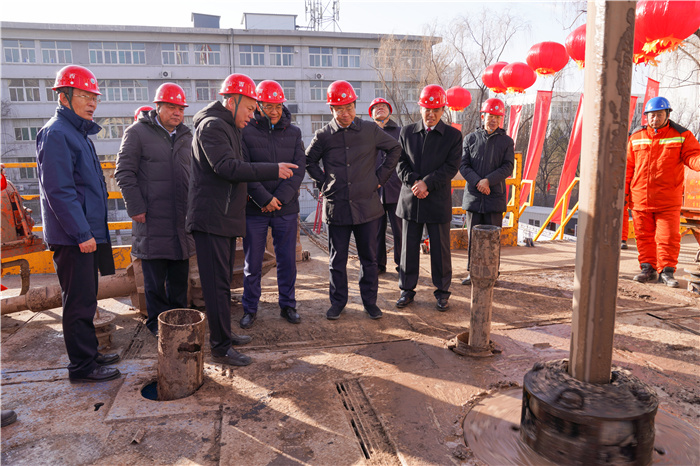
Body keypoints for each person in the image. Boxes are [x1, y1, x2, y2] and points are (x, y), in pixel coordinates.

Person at [187, 73, 297, 366]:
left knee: (222, 283)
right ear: (232, 101)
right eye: (249, 108)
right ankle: (220, 348)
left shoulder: (229, 127)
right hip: (211, 220)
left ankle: (224, 334)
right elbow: (228, 167)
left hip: (222, 219)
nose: (253, 114)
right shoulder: (212, 126)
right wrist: (272, 169)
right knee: (215, 286)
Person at [36, 65, 120, 383]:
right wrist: (82, 233)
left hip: (84, 233)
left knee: (87, 299)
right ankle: (82, 367)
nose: (92, 103)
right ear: (64, 96)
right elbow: (59, 191)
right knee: (77, 302)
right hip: (73, 236)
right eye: (85, 96)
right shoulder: (57, 133)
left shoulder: (78, 133)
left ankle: (90, 353)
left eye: (94, 97)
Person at [306, 80, 401, 320]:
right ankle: (338, 302)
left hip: (367, 205)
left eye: (349, 108)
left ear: (355, 106)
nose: (345, 114)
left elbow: (395, 149)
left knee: (369, 259)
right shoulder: (323, 135)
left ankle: (370, 302)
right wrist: (324, 183)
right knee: (336, 259)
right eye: (339, 109)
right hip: (336, 206)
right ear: (331, 110)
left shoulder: (370, 130)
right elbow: (308, 161)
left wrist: (379, 178)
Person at [115, 84, 194, 337]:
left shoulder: (186, 136)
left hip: (181, 220)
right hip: (152, 219)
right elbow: (124, 172)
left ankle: (179, 321)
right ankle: (157, 326)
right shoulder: (137, 133)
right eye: (171, 107)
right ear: (158, 107)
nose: (177, 113)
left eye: (180, 108)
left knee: (179, 279)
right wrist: (136, 207)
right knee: (155, 282)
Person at [239, 80, 305, 329]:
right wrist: (264, 199)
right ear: (258, 106)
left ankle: (288, 305)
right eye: (268, 106)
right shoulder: (245, 131)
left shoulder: (294, 133)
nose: (274, 111)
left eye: (277, 106)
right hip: (255, 208)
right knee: (252, 262)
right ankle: (250, 308)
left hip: (285, 208)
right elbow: (243, 168)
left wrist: (280, 199)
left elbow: (298, 170)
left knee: (287, 260)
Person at [395, 85, 462, 311]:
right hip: (411, 199)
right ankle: (406, 290)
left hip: (437, 199)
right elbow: (400, 162)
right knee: (408, 248)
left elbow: (451, 167)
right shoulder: (406, 132)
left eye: (436, 109)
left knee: (440, 250)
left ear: (443, 110)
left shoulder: (453, 136)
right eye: (427, 109)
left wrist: (427, 183)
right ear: (420, 108)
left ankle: (442, 292)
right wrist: (415, 182)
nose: (431, 114)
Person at [626, 96, 700, 287]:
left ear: (667, 114)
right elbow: (627, 168)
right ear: (646, 116)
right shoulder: (636, 137)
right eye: (651, 115)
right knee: (644, 237)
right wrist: (624, 195)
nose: (655, 119)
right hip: (640, 198)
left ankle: (666, 272)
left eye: (659, 114)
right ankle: (647, 269)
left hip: (667, 199)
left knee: (668, 238)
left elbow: (693, 156)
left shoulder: (682, 135)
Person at [460, 98, 515, 286]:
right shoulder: (470, 139)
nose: (493, 120)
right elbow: (463, 165)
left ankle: (493, 274)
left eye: (497, 117)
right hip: (474, 197)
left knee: (493, 240)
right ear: (483, 116)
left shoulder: (506, 142)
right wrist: (478, 182)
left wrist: (488, 181)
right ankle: (472, 273)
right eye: (490, 116)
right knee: (473, 238)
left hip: (494, 197)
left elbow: (508, 167)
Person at [369, 98, 402, 274]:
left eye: (383, 106)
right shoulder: (367, 133)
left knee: (400, 231)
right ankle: (378, 265)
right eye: (376, 107)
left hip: (396, 188)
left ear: (390, 111)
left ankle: (402, 265)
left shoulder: (400, 132)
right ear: (371, 114)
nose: (380, 108)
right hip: (373, 190)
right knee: (375, 231)